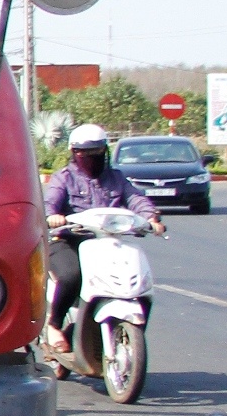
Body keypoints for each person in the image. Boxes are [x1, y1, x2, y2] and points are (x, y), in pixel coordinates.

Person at [43, 122, 164, 349]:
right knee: (71, 276)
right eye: (82, 152)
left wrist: (151, 218)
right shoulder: (64, 178)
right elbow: (50, 203)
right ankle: (54, 325)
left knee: (138, 283)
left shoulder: (116, 178)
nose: (88, 157)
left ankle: (123, 336)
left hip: (108, 242)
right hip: (69, 240)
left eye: (95, 152)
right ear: (73, 152)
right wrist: (53, 216)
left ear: (104, 151)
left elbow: (136, 199)